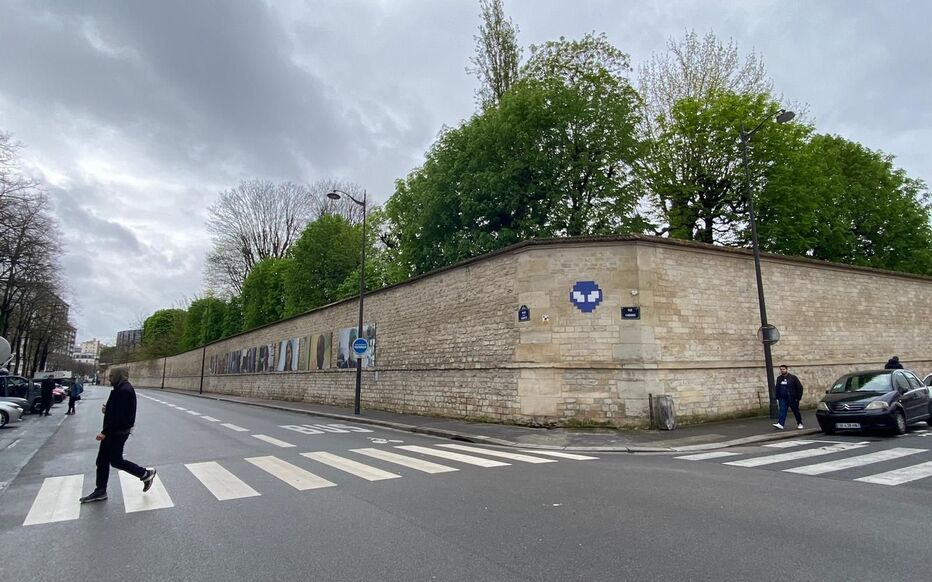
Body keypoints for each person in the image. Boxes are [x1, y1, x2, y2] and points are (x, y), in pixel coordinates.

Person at [79, 367, 156, 503]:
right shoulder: (122, 388)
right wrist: (108, 410)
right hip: (117, 431)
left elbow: (119, 417)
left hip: (116, 432)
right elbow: (118, 412)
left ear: (119, 376)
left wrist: (104, 432)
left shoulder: (123, 391)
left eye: (112, 376)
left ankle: (144, 473)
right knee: (107, 460)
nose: (109, 378)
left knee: (111, 460)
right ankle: (102, 490)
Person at [773, 365, 805, 430]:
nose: (782, 370)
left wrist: (798, 398)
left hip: (792, 398)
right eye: (781, 369)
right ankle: (781, 424)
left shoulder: (793, 378)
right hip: (782, 398)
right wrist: (777, 396)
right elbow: (777, 387)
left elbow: (800, 388)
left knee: (796, 411)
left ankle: (800, 423)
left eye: (783, 369)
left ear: (787, 369)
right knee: (782, 411)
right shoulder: (779, 378)